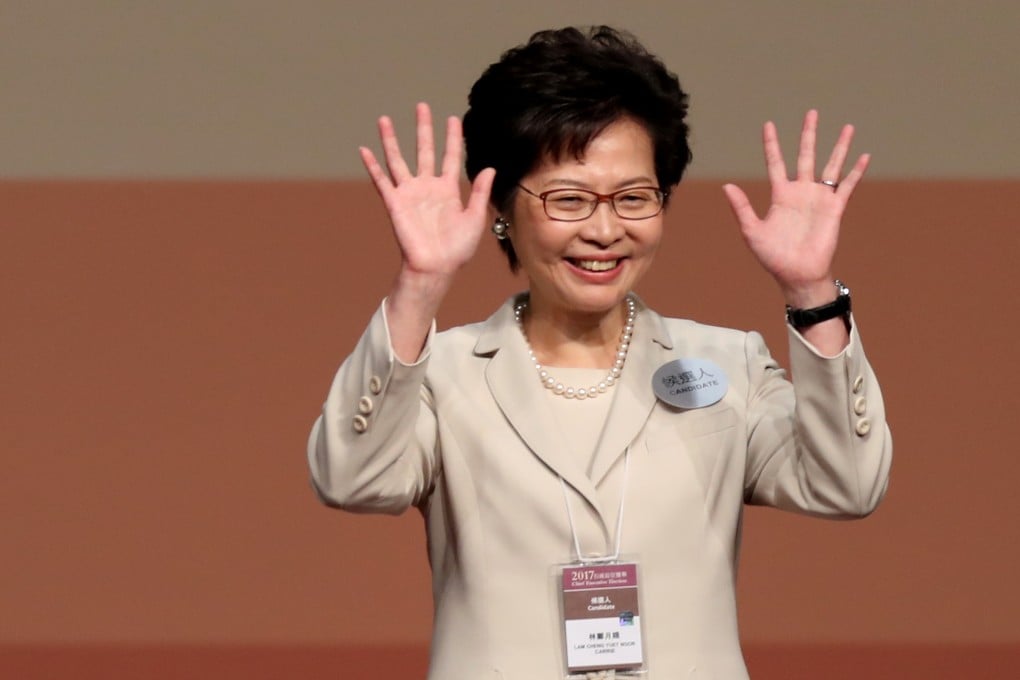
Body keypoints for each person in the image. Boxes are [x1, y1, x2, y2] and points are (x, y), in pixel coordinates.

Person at [308, 26, 891, 680]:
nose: (606, 230)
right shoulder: (439, 372)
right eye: (569, 199)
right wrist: (421, 284)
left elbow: (849, 483)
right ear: (500, 207)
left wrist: (810, 292)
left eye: (634, 198)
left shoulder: (727, 366)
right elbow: (352, 480)